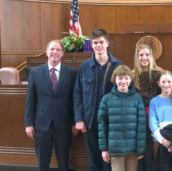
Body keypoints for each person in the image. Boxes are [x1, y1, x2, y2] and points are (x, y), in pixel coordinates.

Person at [73, 29, 122, 171]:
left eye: (101, 42)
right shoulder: (84, 67)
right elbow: (77, 94)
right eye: (95, 43)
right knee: (93, 162)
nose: (98, 45)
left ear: (107, 43)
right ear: (91, 45)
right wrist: (79, 119)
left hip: (110, 122)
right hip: (90, 122)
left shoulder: (118, 66)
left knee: (109, 161)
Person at [25, 40, 77, 171]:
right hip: (41, 125)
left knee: (64, 162)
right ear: (46, 52)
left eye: (58, 50)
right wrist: (28, 123)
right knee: (42, 162)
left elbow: (75, 100)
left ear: (62, 53)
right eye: (52, 49)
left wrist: (75, 122)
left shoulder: (71, 73)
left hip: (64, 125)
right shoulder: (35, 73)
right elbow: (30, 100)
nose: (55, 52)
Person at [98, 65, 146, 171]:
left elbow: (141, 126)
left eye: (126, 78)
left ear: (130, 79)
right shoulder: (106, 99)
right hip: (115, 149)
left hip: (133, 149)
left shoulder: (137, 98)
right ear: (114, 79)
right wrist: (104, 149)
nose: (123, 81)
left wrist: (140, 149)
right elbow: (102, 126)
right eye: (120, 78)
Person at [133, 43, 162, 171]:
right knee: (141, 147)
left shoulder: (159, 73)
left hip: (155, 115)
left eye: (147, 55)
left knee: (155, 148)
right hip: (138, 115)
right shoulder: (133, 74)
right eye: (141, 55)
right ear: (137, 57)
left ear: (151, 57)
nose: (144, 57)